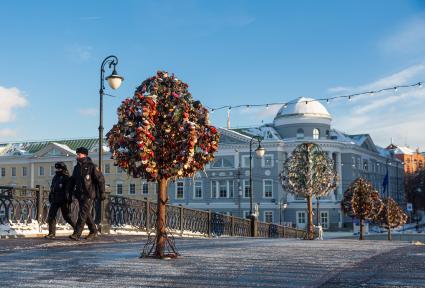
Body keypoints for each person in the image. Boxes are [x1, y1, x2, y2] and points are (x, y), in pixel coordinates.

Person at [68, 147, 105, 240]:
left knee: (82, 213)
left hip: (89, 193)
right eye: (77, 154)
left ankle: (77, 234)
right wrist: (69, 191)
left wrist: (102, 192)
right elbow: (73, 181)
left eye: (79, 154)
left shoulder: (92, 166)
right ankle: (93, 231)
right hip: (80, 194)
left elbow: (100, 179)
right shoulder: (76, 167)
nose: (77, 155)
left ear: (84, 155)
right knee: (86, 213)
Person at [45, 162, 76, 239]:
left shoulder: (66, 177)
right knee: (51, 216)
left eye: (60, 168)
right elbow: (52, 188)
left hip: (63, 200)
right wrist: (50, 196)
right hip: (55, 199)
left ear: (63, 169)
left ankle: (77, 229)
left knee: (67, 217)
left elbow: (69, 189)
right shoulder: (55, 177)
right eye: (57, 168)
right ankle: (51, 233)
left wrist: (68, 198)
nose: (58, 170)